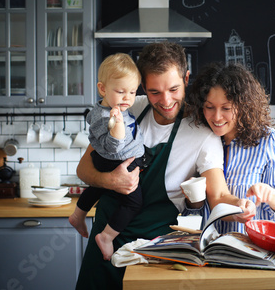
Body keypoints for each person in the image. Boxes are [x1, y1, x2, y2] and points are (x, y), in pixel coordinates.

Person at [75, 42, 255, 290]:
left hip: (157, 251)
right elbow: (83, 169)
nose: (166, 100)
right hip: (105, 239)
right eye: (154, 92)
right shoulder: (129, 108)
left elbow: (219, 195)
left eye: (173, 89)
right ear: (143, 88)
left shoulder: (203, 133)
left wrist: (240, 205)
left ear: (186, 78)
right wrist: (111, 181)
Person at [186, 61, 275, 234]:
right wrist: (193, 203)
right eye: (209, 107)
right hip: (209, 254)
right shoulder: (201, 140)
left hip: (253, 253)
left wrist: (271, 196)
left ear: (243, 106)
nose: (217, 117)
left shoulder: (269, 141)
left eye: (226, 108)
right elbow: (196, 219)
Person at [69, 53, 145, 261]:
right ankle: (106, 236)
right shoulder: (109, 116)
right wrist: (118, 126)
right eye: (121, 92)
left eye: (132, 91)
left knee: (98, 188)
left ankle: (78, 215)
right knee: (133, 202)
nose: (128, 98)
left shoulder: (105, 107)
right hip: (117, 161)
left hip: (108, 161)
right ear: (102, 89)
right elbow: (113, 147)